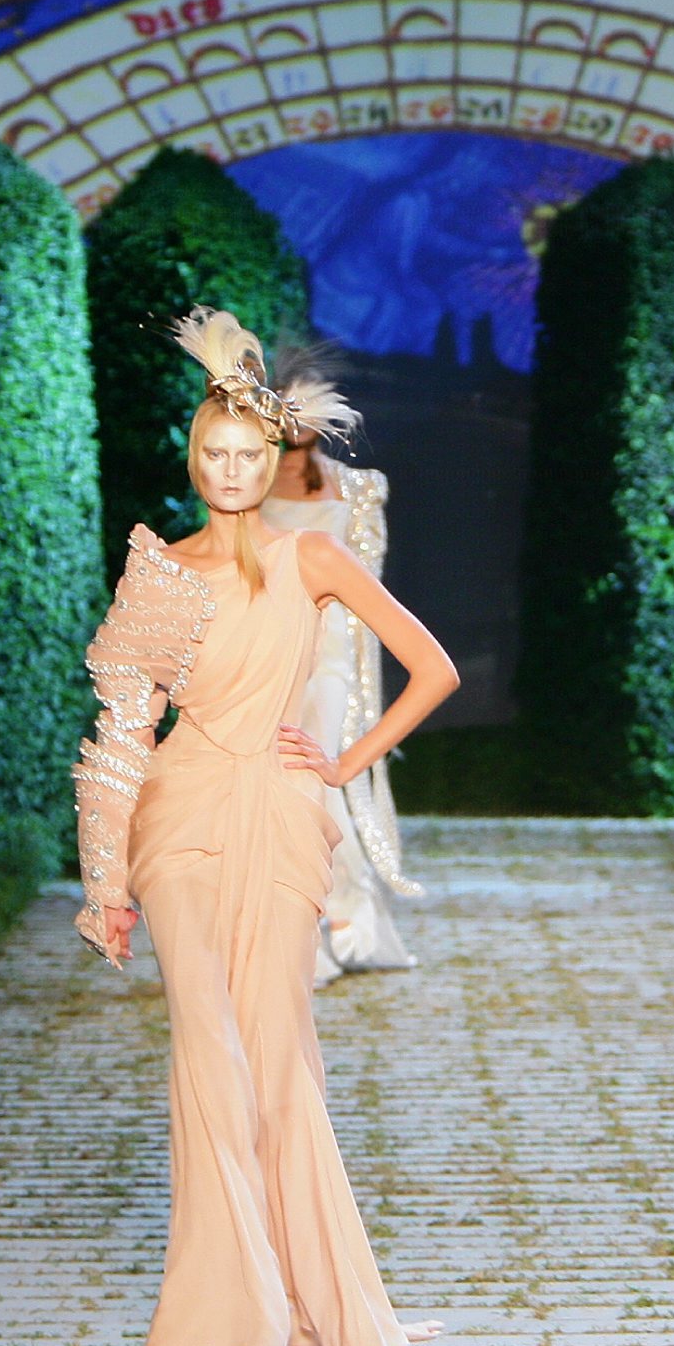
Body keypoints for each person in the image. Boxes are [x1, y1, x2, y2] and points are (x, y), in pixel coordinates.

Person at [69, 309, 459, 1346]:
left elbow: (431, 668)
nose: (233, 470)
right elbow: (120, 735)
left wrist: (341, 765)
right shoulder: (158, 573)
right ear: (193, 460)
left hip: (281, 818)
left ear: (270, 455)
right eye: (215, 454)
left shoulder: (312, 557)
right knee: (208, 1055)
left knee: (278, 1058)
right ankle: (231, 1328)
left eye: (249, 453)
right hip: (180, 821)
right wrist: (104, 883)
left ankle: (296, 1305)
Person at [256, 360, 429, 987]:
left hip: (329, 656)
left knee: (313, 776)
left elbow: (368, 590)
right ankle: (311, 930)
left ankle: (338, 926)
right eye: (289, 408)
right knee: (284, 782)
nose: (297, 421)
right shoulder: (250, 483)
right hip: (268, 650)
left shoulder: (356, 488)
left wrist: (363, 679)